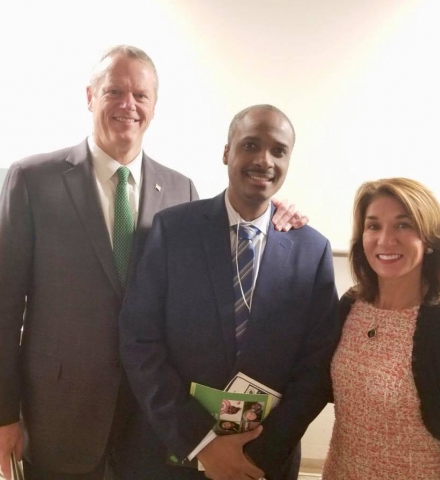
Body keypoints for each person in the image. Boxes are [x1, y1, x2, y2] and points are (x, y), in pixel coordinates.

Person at [0, 46, 305, 480]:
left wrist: (277, 210)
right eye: (114, 91)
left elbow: (232, 227)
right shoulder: (34, 179)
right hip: (60, 414)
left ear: (153, 106)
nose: (127, 105)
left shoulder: (179, 189)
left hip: (150, 422)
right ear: (90, 96)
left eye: (140, 95)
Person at [118, 104, 339, 480]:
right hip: (176, 455)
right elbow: (140, 340)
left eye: (278, 151)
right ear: (226, 152)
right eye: (250, 145)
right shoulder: (173, 231)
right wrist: (202, 442)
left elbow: (317, 367)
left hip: (264, 460)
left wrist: (258, 453)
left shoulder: (312, 250)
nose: (264, 160)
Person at [323, 178, 440, 479]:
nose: (386, 240)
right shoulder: (352, 304)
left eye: (403, 225)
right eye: (373, 226)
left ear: (429, 240)